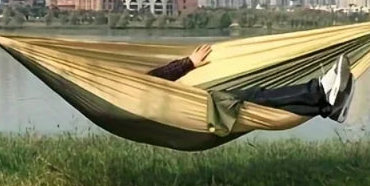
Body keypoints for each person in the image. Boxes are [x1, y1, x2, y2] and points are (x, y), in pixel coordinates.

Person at [148, 44, 356, 123]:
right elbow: (145, 83)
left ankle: (327, 107)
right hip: (180, 113)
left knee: (251, 104)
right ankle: (318, 91)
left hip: (176, 110)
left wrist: (188, 64)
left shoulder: (119, 86)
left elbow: (140, 84)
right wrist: (188, 63)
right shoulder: (117, 88)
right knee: (252, 99)